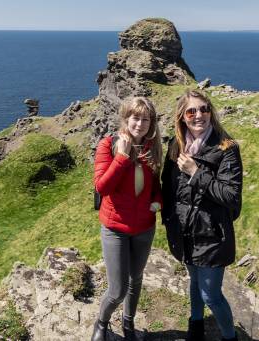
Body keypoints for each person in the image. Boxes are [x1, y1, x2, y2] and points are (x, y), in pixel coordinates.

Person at [161, 90, 243, 341]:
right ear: (182, 117)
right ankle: (195, 326)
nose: (199, 115)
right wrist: (168, 219)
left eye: (204, 109)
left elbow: (231, 196)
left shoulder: (227, 148)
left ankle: (231, 338)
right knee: (194, 281)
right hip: (184, 232)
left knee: (211, 295)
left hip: (212, 235)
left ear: (211, 112)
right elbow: (167, 185)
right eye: (191, 111)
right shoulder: (176, 145)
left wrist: (196, 172)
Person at [91, 97, 163, 341]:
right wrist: (122, 157)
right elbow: (102, 187)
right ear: (126, 119)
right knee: (117, 289)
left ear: (151, 122)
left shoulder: (153, 147)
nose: (140, 124)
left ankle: (128, 323)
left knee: (136, 279)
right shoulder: (108, 145)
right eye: (135, 117)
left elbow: (156, 185)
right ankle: (101, 323)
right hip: (115, 228)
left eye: (145, 119)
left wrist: (158, 202)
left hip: (144, 227)